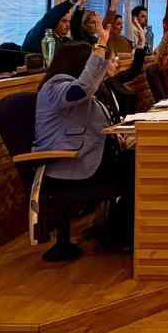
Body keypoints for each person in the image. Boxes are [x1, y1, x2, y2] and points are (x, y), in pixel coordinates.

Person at [32, 33, 133, 251]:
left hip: (89, 157)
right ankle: (117, 234)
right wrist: (99, 47)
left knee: (136, 161)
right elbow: (82, 88)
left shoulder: (82, 90)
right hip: (70, 164)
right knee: (134, 166)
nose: (94, 68)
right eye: (91, 62)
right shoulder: (56, 87)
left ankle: (117, 229)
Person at [21, 0, 87, 53]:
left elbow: (75, 29)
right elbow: (51, 17)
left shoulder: (64, 40)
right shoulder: (40, 34)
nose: (68, 25)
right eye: (64, 21)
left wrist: (81, 6)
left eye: (69, 21)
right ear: (55, 21)